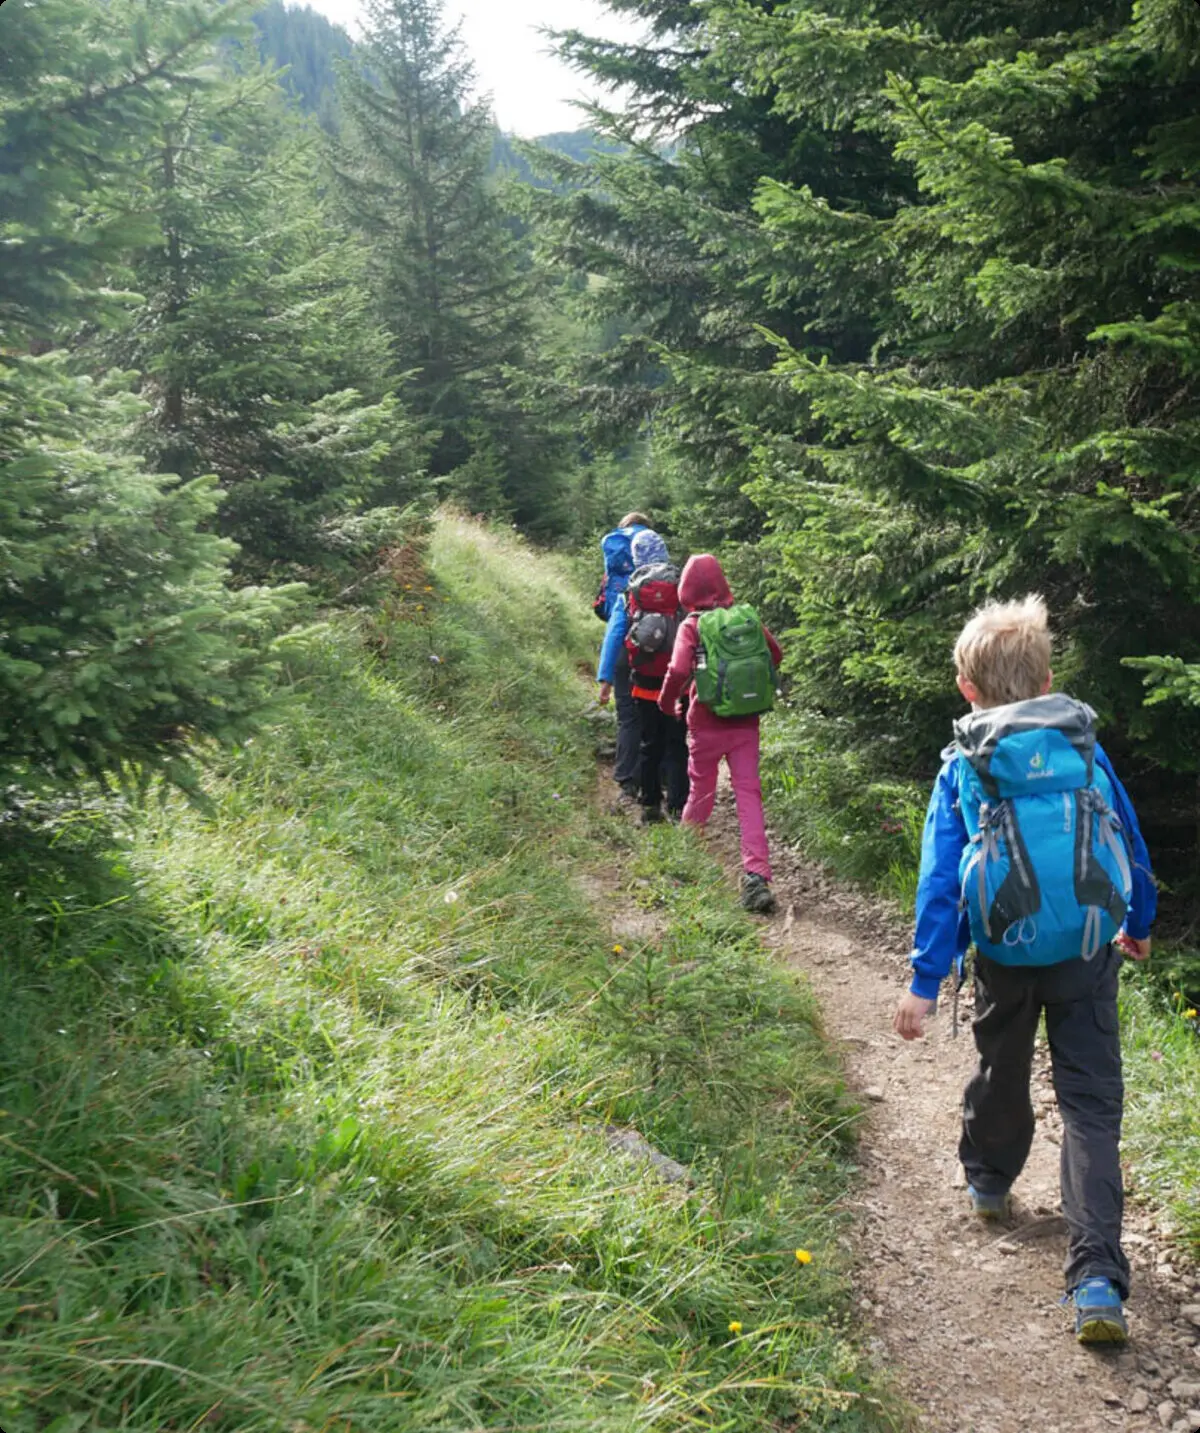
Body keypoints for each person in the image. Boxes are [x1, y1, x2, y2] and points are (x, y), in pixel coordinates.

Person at [893, 595, 1156, 1346]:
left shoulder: (964, 764)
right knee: (1092, 1106)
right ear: (1047, 676)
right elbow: (1128, 842)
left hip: (1004, 957)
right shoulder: (1083, 748)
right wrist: (1136, 923)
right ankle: (1098, 1276)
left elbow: (942, 879)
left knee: (1001, 1066)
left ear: (966, 689)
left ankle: (988, 1178)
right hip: (1085, 952)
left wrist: (923, 977)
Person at [658, 554, 782, 914]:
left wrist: (669, 704)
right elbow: (776, 654)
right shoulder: (745, 618)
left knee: (701, 790)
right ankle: (756, 876)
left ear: (686, 590)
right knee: (748, 795)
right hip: (746, 722)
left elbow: (679, 668)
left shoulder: (692, 626)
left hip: (706, 720)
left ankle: (682, 862)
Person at [623, 529, 689, 825]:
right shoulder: (678, 581)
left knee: (650, 743)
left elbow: (626, 629)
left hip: (645, 681)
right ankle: (679, 807)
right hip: (678, 684)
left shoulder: (635, 587)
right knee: (678, 745)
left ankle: (650, 807)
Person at [596, 513, 650, 803]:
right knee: (655, 714)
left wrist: (604, 679)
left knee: (627, 718)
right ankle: (661, 778)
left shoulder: (623, 590)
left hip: (623, 654)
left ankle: (627, 780)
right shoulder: (663, 585)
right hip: (657, 652)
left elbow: (615, 631)